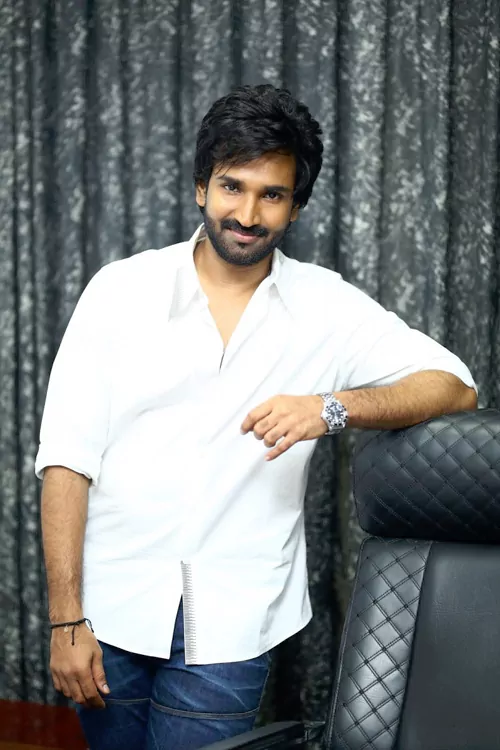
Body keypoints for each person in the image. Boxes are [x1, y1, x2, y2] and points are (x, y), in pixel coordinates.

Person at [35, 84, 477, 750]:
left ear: (295, 206)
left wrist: (332, 408)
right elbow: (66, 460)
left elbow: (456, 386)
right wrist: (65, 619)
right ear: (200, 188)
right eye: (231, 187)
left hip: (233, 621)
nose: (247, 213)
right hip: (108, 610)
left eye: (271, 195)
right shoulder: (120, 291)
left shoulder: (325, 306)